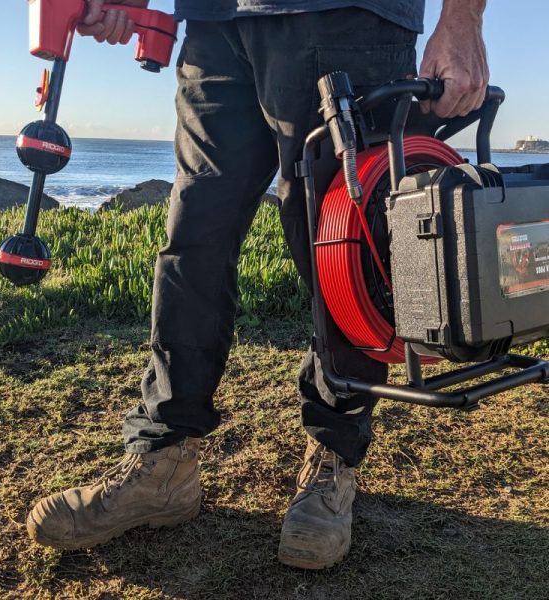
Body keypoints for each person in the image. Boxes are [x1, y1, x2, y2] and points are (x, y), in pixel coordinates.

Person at [26, 0, 489, 569]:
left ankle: (333, 459)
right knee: (193, 236)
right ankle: (164, 458)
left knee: (340, 244)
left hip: (348, 17)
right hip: (215, 23)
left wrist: (463, 18)